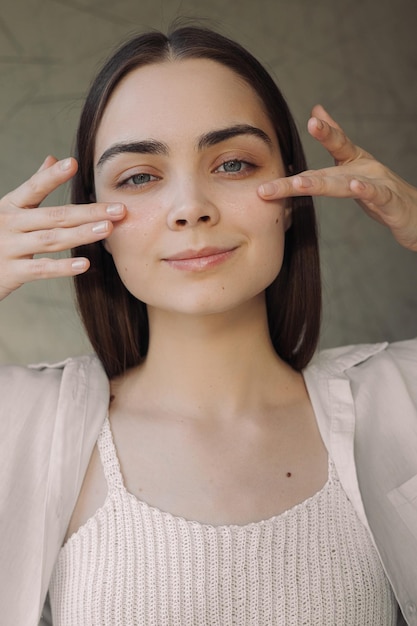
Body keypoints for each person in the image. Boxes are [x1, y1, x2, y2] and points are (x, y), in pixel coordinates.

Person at [0, 24, 416, 626]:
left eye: (234, 163)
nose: (190, 206)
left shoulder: (398, 403)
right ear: (94, 221)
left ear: (294, 199)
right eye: (140, 176)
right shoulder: (21, 422)